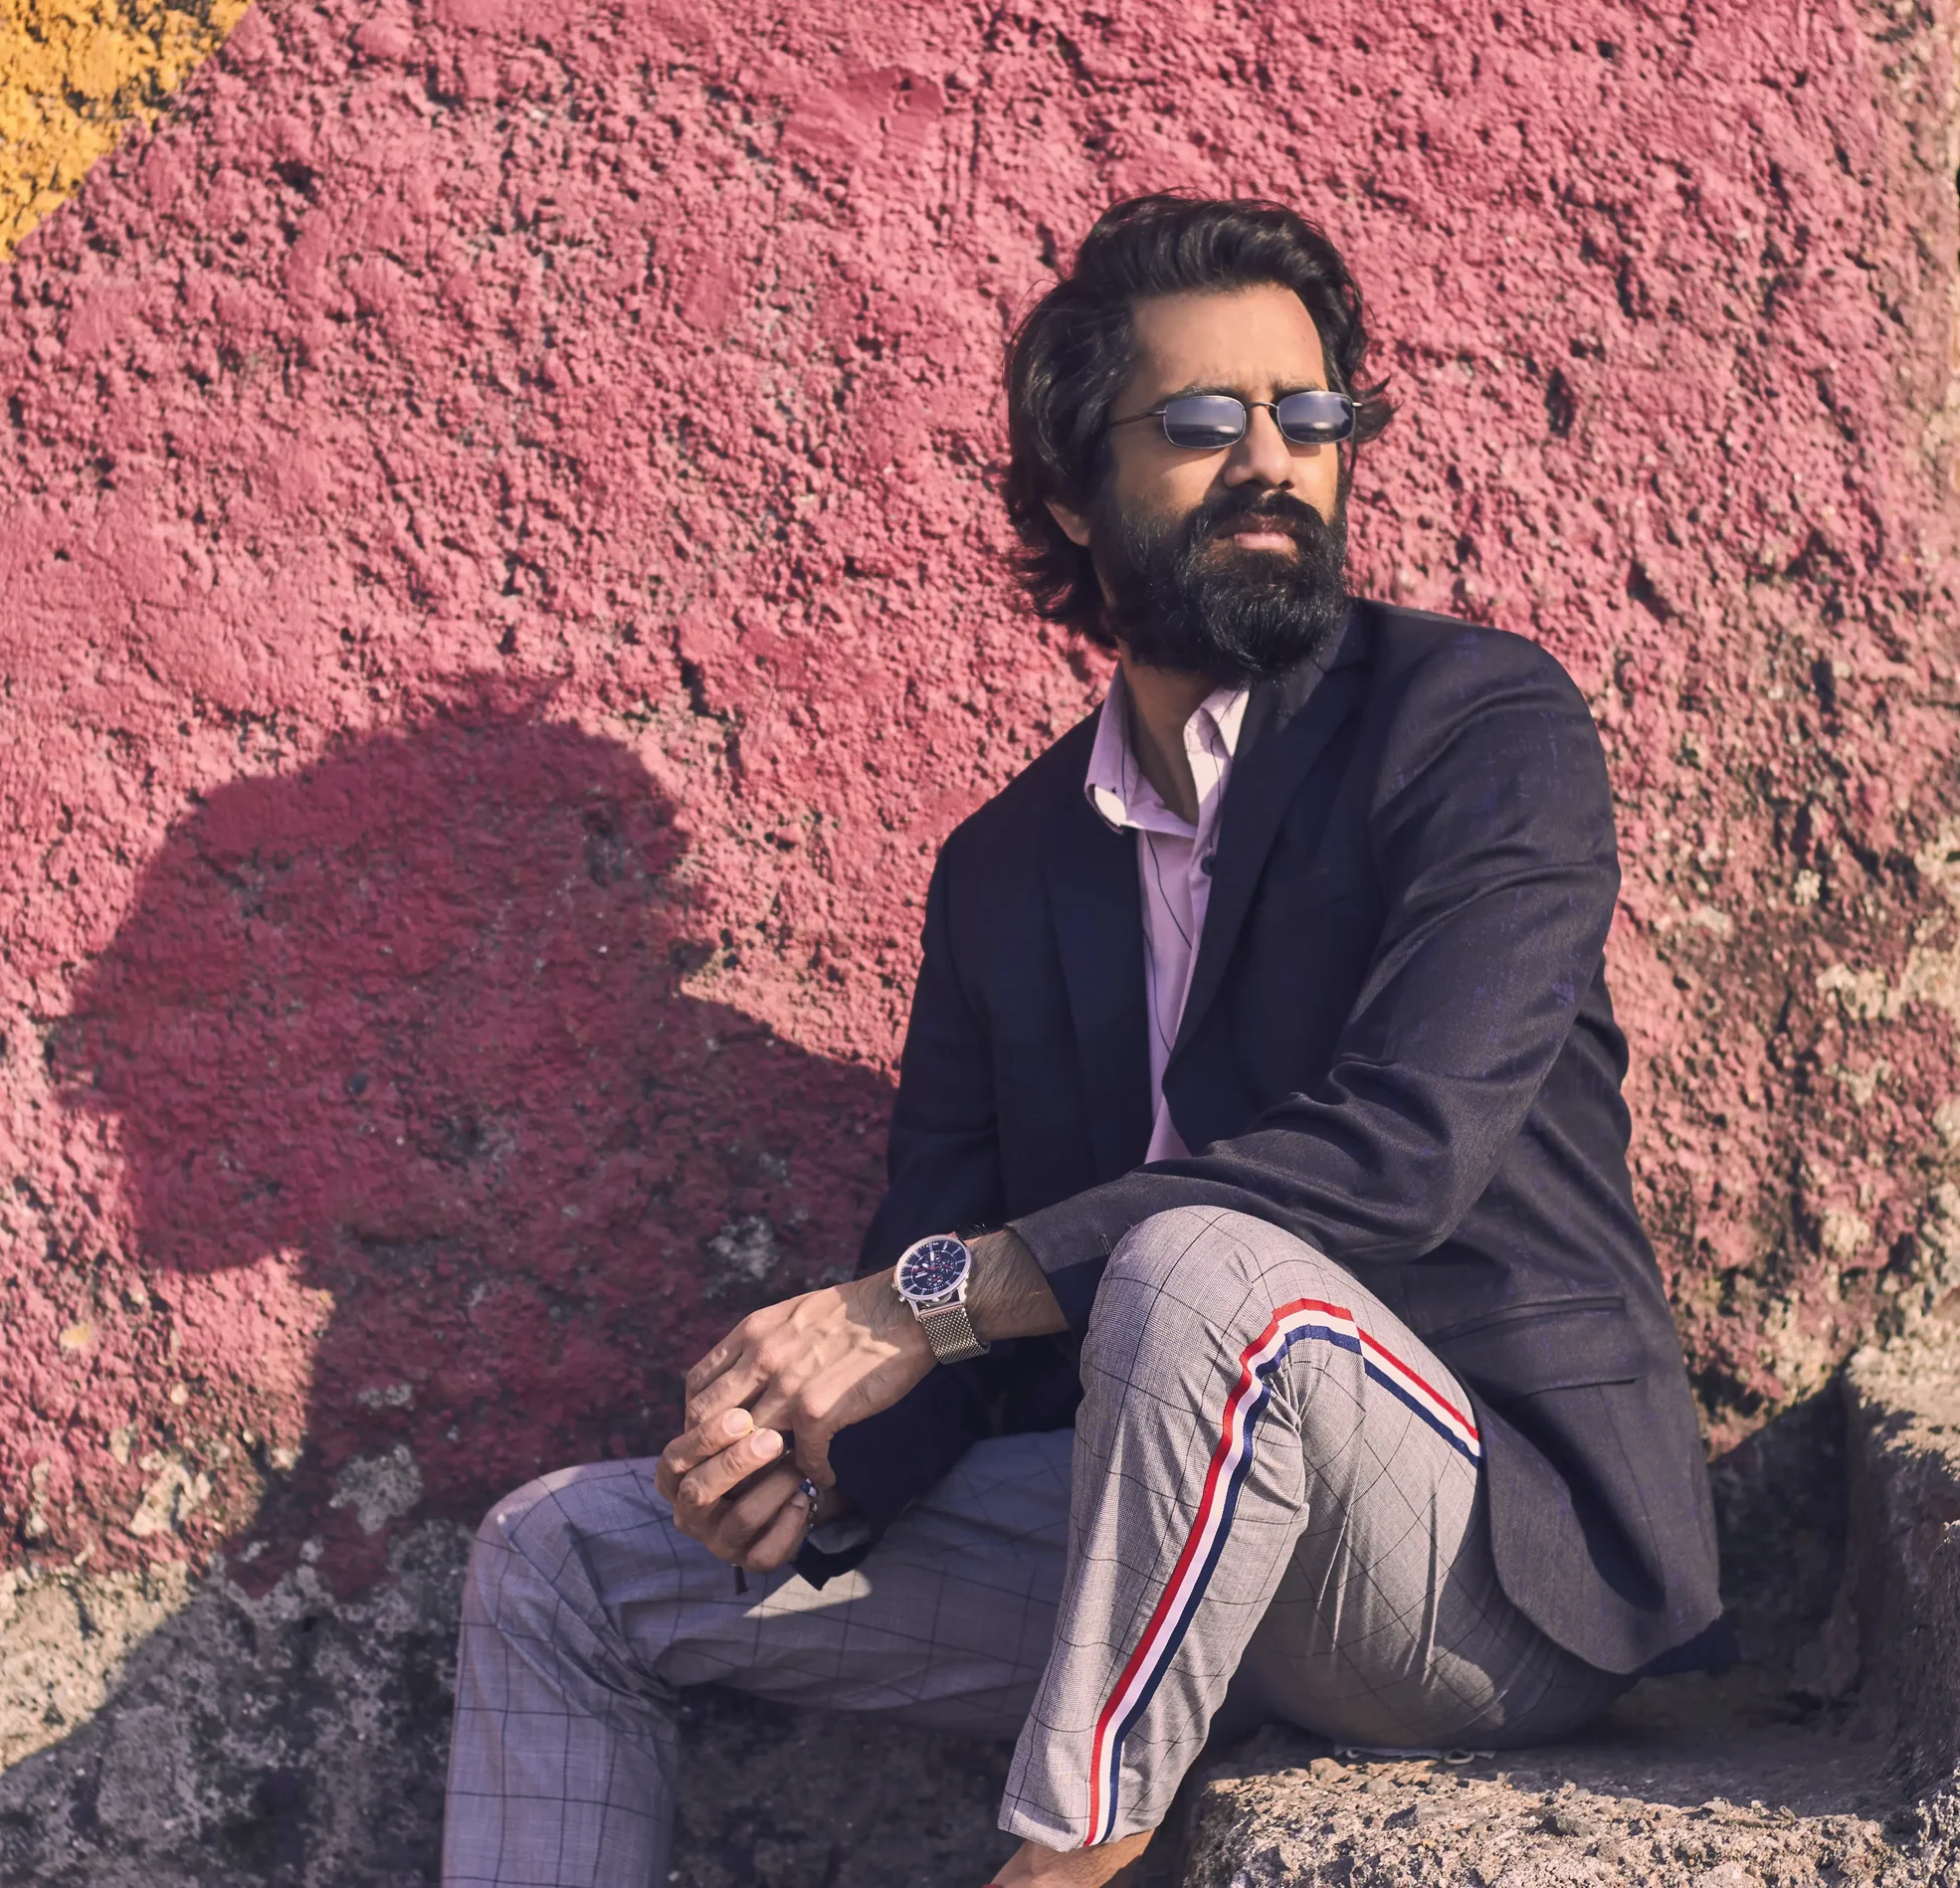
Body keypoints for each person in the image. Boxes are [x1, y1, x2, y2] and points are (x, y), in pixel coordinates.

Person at [439, 193, 1724, 1887]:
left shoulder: (1480, 727)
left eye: (1311, 413)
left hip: (1478, 1562)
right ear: (1070, 491)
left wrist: (916, 1306)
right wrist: (812, 1477)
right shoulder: (1004, 871)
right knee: (562, 1555)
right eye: (1201, 423)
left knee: (1202, 1264)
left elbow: (1398, 1158)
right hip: (1148, 1545)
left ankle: (1064, 1855)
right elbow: (931, 1271)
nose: (1273, 458)